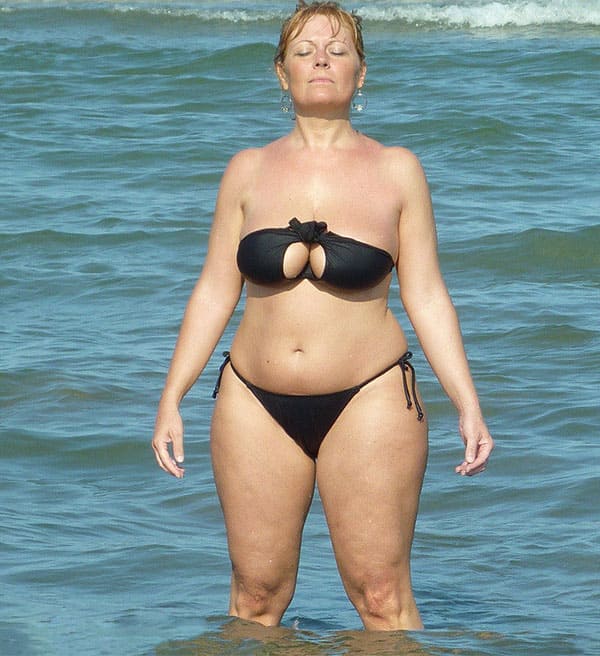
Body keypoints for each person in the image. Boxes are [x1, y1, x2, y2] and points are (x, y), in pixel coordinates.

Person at [152, 0, 494, 632]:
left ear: (361, 73)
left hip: (371, 397)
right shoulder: (247, 170)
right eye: (304, 51)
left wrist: (467, 404)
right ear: (280, 72)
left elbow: (427, 296)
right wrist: (172, 396)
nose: (321, 61)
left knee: (382, 597)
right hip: (253, 400)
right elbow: (213, 291)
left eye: (338, 52)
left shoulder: (397, 170)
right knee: (255, 598)